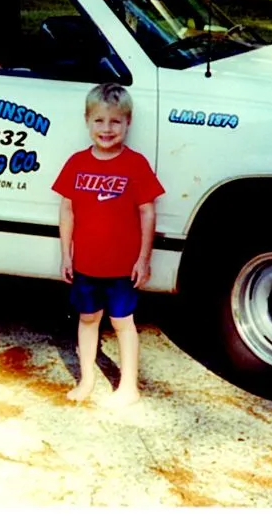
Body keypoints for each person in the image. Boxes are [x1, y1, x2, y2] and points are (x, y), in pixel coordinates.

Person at [51, 83, 165, 405]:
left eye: (115, 121)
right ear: (87, 121)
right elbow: (67, 210)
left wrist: (144, 259)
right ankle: (86, 379)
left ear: (128, 123)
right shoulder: (76, 163)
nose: (106, 129)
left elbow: (147, 212)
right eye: (99, 121)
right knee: (88, 320)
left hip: (122, 267)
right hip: (86, 263)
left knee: (122, 323)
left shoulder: (136, 164)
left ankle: (129, 386)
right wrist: (66, 255)